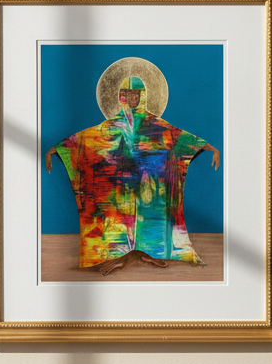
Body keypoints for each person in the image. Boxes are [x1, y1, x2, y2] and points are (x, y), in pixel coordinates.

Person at [45, 75, 220, 276]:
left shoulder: (155, 123)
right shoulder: (110, 126)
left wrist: (210, 148)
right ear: (121, 97)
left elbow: (179, 137)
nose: (132, 97)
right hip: (120, 188)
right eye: (127, 94)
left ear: (143, 96)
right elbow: (86, 138)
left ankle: (148, 252)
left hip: (148, 187)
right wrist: (57, 149)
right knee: (114, 212)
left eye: (136, 94)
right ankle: (118, 256)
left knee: (153, 211)